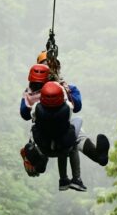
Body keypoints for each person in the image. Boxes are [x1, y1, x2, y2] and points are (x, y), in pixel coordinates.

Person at [18, 63, 109, 191]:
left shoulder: (32, 100)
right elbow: (75, 106)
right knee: (76, 133)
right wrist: (65, 90)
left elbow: (25, 113)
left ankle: (40, 164)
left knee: (38, 136)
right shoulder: (63, 94)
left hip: (44, 142)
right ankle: (94, 158)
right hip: (63, 140)